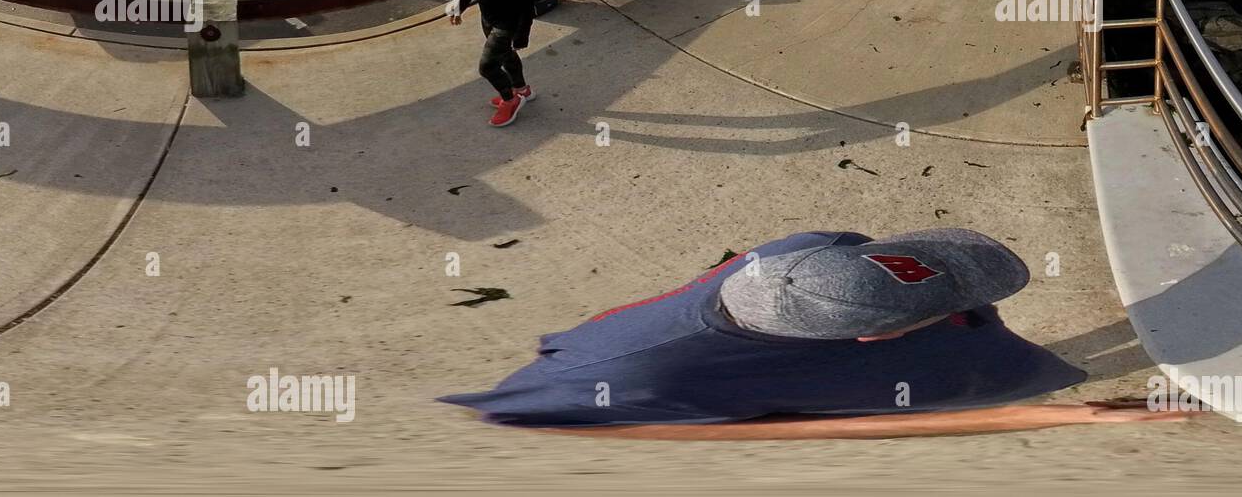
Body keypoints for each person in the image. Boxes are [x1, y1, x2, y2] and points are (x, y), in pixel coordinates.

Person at [438, 226, 1183, 437]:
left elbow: (842, 238)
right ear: (875, 341)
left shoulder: (786, 259)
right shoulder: (646, 385)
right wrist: (1065, 415)